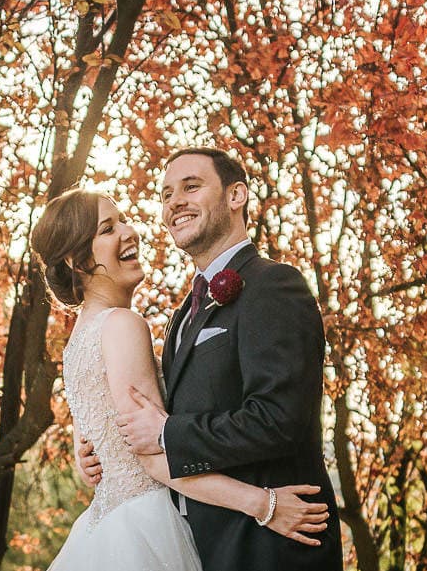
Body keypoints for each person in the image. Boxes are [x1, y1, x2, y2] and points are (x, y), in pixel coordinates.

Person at [31, 188, 329, 571]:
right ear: (77, 261)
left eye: (122, 219)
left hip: (107, 529)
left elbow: (96, 435)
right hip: (146, 529)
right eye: (108, 229)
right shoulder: (122, 325)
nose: (129, 231)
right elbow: (155, 460)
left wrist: (85, 454)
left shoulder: (77, 341)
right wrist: (264, 504)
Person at [114, 147, 344, 570]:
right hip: (200, 545)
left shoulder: (273, 284)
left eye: (191, 186)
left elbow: (279, 419)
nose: (174, 203)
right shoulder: (182, 314)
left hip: (271, 548)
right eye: (166, 194)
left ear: (236, 196)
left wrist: (169, 434)